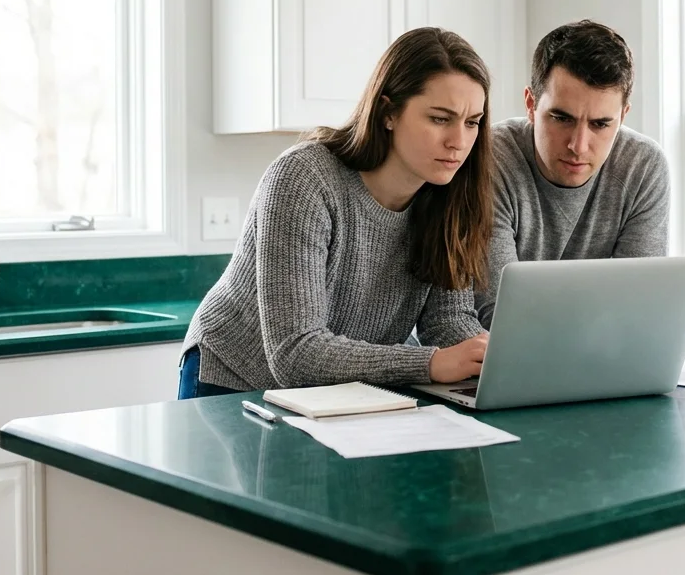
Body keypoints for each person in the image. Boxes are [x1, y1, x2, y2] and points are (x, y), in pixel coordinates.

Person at [178, 27, 493, 399]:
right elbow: (295, 353)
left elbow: (448, 322)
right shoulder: (305, 177)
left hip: (341, 391)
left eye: (472, 122)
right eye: (440, 118)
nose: (459, 141)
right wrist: (430, 364)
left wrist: (492, 357)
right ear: (388, 112)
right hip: (234, 381)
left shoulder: (449, 194)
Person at [478, 19, 685, 346]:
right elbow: (497, 310)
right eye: (562, 118)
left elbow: (636, 296)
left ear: (624, 115)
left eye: (601, 124)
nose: (579, 145)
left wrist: (651, 318)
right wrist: (633, 321)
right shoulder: (490, 158)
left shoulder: (642, 166)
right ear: (531, 104)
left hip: (602, 360)